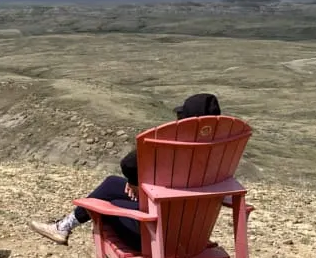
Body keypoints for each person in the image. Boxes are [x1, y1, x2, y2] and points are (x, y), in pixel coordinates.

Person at [27, 93, 222, 248]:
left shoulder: (173, 147)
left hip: (158, 237)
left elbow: (129, 163)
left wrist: (136, 182)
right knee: (112, 183)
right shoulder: (221, 153)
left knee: (108, 203)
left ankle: (63, 227)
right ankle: (63, 226)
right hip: (194, 234)